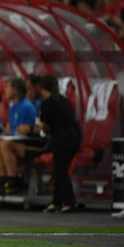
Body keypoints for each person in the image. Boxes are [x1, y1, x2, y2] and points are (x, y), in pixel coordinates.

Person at [0, 78, 43, 195]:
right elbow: (9, 129)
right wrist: (0, 135)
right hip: (16, 141)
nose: (5, 90)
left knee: (5, 144)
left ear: (14, 90)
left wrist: (7, 137)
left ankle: (12, 180)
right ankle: (3, 179)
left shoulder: (26, 107)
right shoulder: (13, 107)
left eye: (8, 87)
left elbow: (26, 133)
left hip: (29, 145)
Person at [39, 75, 82, 213]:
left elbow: (44, 127)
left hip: (63, 139)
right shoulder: (64, 101)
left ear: (42, 88)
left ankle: (69, 202)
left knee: (60, 170)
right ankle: (56, 202)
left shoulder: (46, 103)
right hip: (75, 137)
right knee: (59, 169)